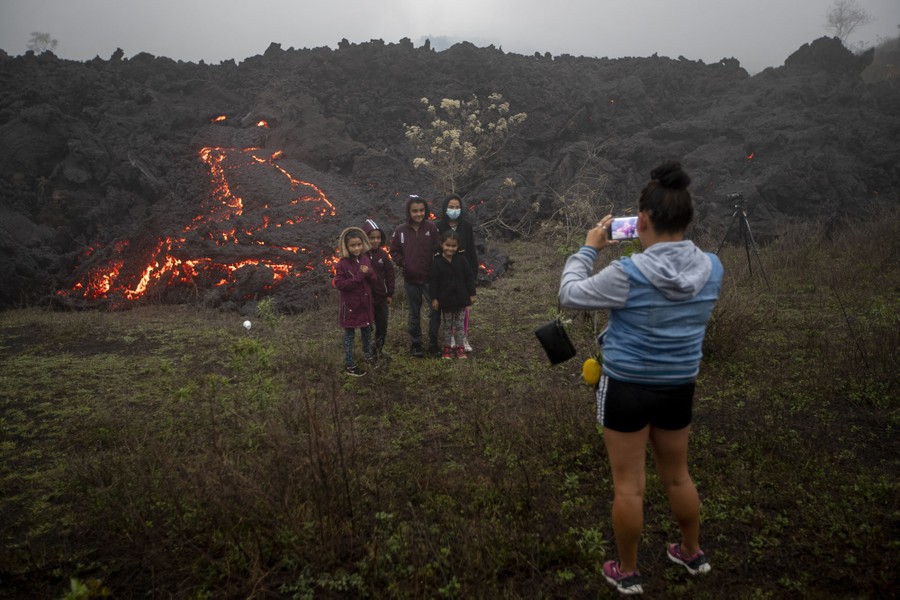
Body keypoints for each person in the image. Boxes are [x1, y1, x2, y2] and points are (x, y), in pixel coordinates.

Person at [558, 161, 723, 595]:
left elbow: (569, 293)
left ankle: (627, 571)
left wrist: (589, 247)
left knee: (629, 486)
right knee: (678, 477)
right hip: (679, 386)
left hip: (626, 388)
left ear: (641, 221)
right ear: (687, 220)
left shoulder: (627, 274)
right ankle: (691, 551)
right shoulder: (713, 268)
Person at [390, 194, 440, 357]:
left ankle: (433, 344)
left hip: (429, 277)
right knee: (414, 312)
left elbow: (438, 248)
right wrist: (404, 263)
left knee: (434, 310)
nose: (418, 214)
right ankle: (416, 344)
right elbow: (394, 251)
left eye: (421, 210)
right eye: (415, 211)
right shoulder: (400, 231)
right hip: (411, 279)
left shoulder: (431, 228)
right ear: (409, 212)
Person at [437, 194, 479, 353]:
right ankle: (451, 337)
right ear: (445, 208)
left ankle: (463, 337)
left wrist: (473, 275)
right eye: (451, 207)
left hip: (463, 273)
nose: (454, 210)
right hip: (445, 273)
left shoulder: (466, 227)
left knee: (464, 308)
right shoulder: (439, 226)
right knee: (448, 308)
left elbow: (472, 252)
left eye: (457, 207)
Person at [333, 227, 377, 377]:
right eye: (353, 245)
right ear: (346, 246)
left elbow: (374, 279)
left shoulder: (365, 259)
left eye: (358, 244)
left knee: (367, 331)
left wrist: (369, 272)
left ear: (363, 243)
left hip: (365, 304)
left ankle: (368, 355)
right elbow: (340, 285)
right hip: (351, 306)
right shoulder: (342, 264)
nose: (356, 248)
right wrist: (359, 275)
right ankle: (349, 363)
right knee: (349, 335)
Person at [429, 230, 476, 359]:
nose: (450, 248)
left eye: (453, 246)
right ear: (442, 245)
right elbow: (433, 282)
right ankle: (447, 348)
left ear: (458, 246)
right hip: (446, 300)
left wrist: (472, 293)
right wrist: (434, 298)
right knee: (448, 325)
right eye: (447, 245)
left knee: (460, 325)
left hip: (461, 299)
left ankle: (460, 348)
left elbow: (469, 276)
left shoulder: (462, 260)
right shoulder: (437, 262)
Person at [362, 218, 396, 360]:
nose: (375, 241)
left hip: (381, 297)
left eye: (378, 238)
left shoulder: (382, 255)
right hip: (366, 298)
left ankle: (378, 350)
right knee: (367, 327)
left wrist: (390, 293)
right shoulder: (360, 256)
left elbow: (390, 274)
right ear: (365, 238)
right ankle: (368, 353)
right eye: (371, 238)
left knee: (382, 326)